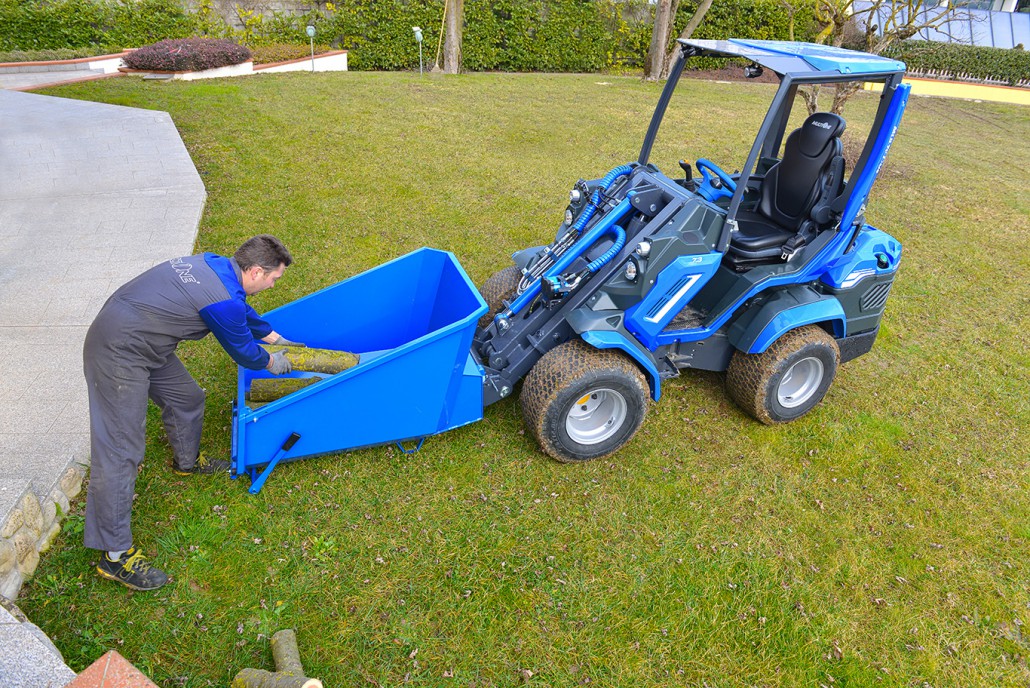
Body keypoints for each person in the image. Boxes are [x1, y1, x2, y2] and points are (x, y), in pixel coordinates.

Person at [82, 234, 301, 591]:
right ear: (257, 271)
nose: (274, 284)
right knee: (120, 449)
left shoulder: (214, 265)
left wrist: (275, 337)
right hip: (118, 349)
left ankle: (186, 462)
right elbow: (244, 352)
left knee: (187, 398)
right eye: (275, 278)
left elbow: (241, 309)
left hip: (146, 338)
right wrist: (271, 360)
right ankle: (116, 555)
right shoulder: (223, 302)